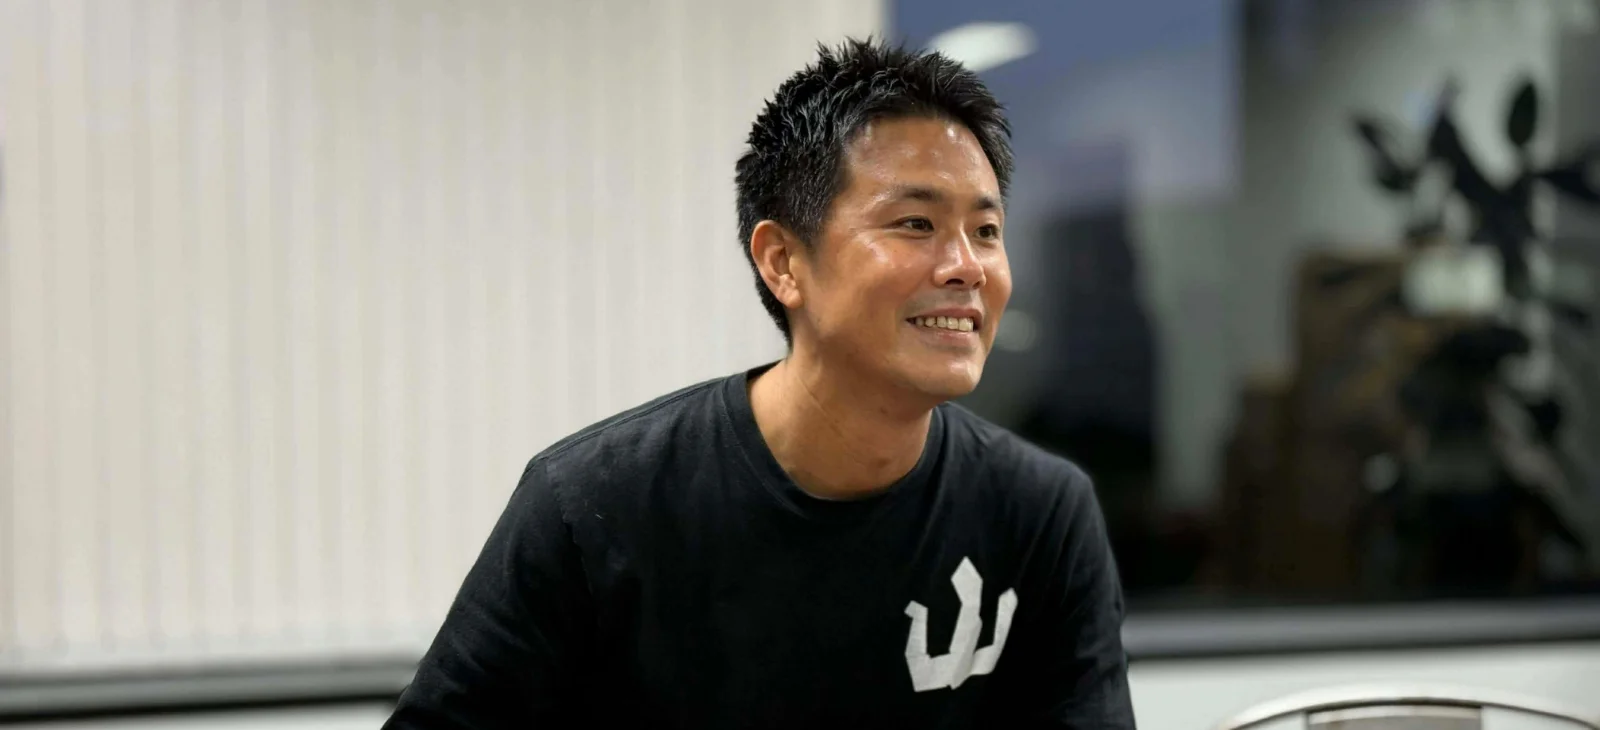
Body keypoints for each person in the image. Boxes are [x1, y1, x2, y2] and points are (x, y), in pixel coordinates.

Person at [384, 38, 1135, 729]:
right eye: (915, 223)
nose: (966, 266)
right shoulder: (592, 506)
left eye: (986, 231)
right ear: (783, 262)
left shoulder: (1039, 514)